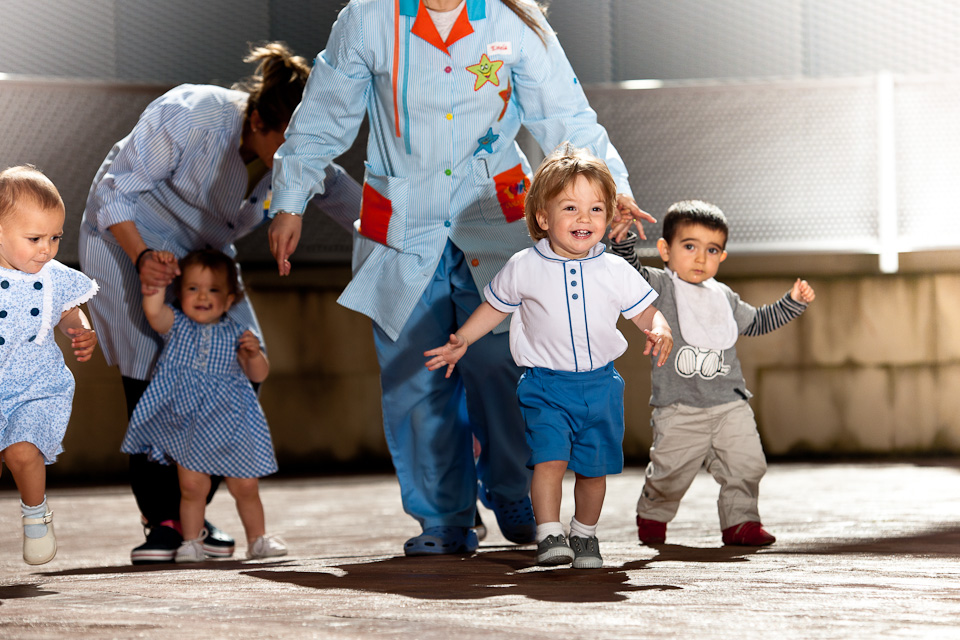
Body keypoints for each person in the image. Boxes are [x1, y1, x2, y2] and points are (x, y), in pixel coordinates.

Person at [267, 0, 656, 556]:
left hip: (495, 218)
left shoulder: (515, 21)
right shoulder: (367, 18)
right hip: (402, 221)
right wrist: (290, 198)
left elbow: (565, 115)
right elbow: (325, 111)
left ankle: (516, 488)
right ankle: (444, 518)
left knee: (508, 363)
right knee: (414, 379)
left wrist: (611, 189)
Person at [78, 42, 362, 564]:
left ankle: (190, 502)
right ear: (256, 119)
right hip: (127, 237)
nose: (300, 159)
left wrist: (424, 245)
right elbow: (115, 191)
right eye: (288, 144)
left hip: (206, 260)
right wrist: (142, 257)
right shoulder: (194, 114)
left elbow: (353, 206)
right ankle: (163, 521)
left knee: (242, 365)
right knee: (153, 371)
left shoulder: (299, 156)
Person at [425, 145, 673, 567]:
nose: (585, 219)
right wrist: (463, 338)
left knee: (594, 472)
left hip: (600, 386)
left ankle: (585, 535)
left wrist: (661, 329)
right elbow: (494, 307)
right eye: (571, 207)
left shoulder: (614, 269)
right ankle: (549, 533)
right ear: (543, 217)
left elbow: (647, 311)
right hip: (545, 386)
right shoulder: (524, 265)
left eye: (597, 209)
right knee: (549, 460)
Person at [611, 200, 816, 547]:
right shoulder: (661, 287)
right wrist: (622, 241)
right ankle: (653, 509)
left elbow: (759, 321)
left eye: (712, 249)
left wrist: (792, 302)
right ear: (665, 249)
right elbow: (629, 277)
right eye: (689, 246)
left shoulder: (724, 297)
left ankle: (741, 521)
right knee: (669, 473)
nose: (700, 257)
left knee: (747, 463)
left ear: (722, 257)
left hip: (729, 404)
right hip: (678, 407)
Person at [120, 249, 286, 562]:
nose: (202, 296)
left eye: (213, 290)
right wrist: (154, 287)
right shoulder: (177, 325)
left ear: (230, 299)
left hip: (232, 423)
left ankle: (258, 539)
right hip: (189, 423)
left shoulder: (239, 333)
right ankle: (191, 542)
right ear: (180, 294)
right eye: (193, 288)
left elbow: (259, 374)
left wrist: (253, 356)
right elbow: (154, 314)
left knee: (246, 485)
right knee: (193, 485)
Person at [0, 165, 99, 565]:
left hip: (34, 384)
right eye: (35, 238)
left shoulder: (53, 275)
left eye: (55, 237)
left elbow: (68, 311)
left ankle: (36, 514)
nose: (47, 249)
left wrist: (80, 329)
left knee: (24, 452)